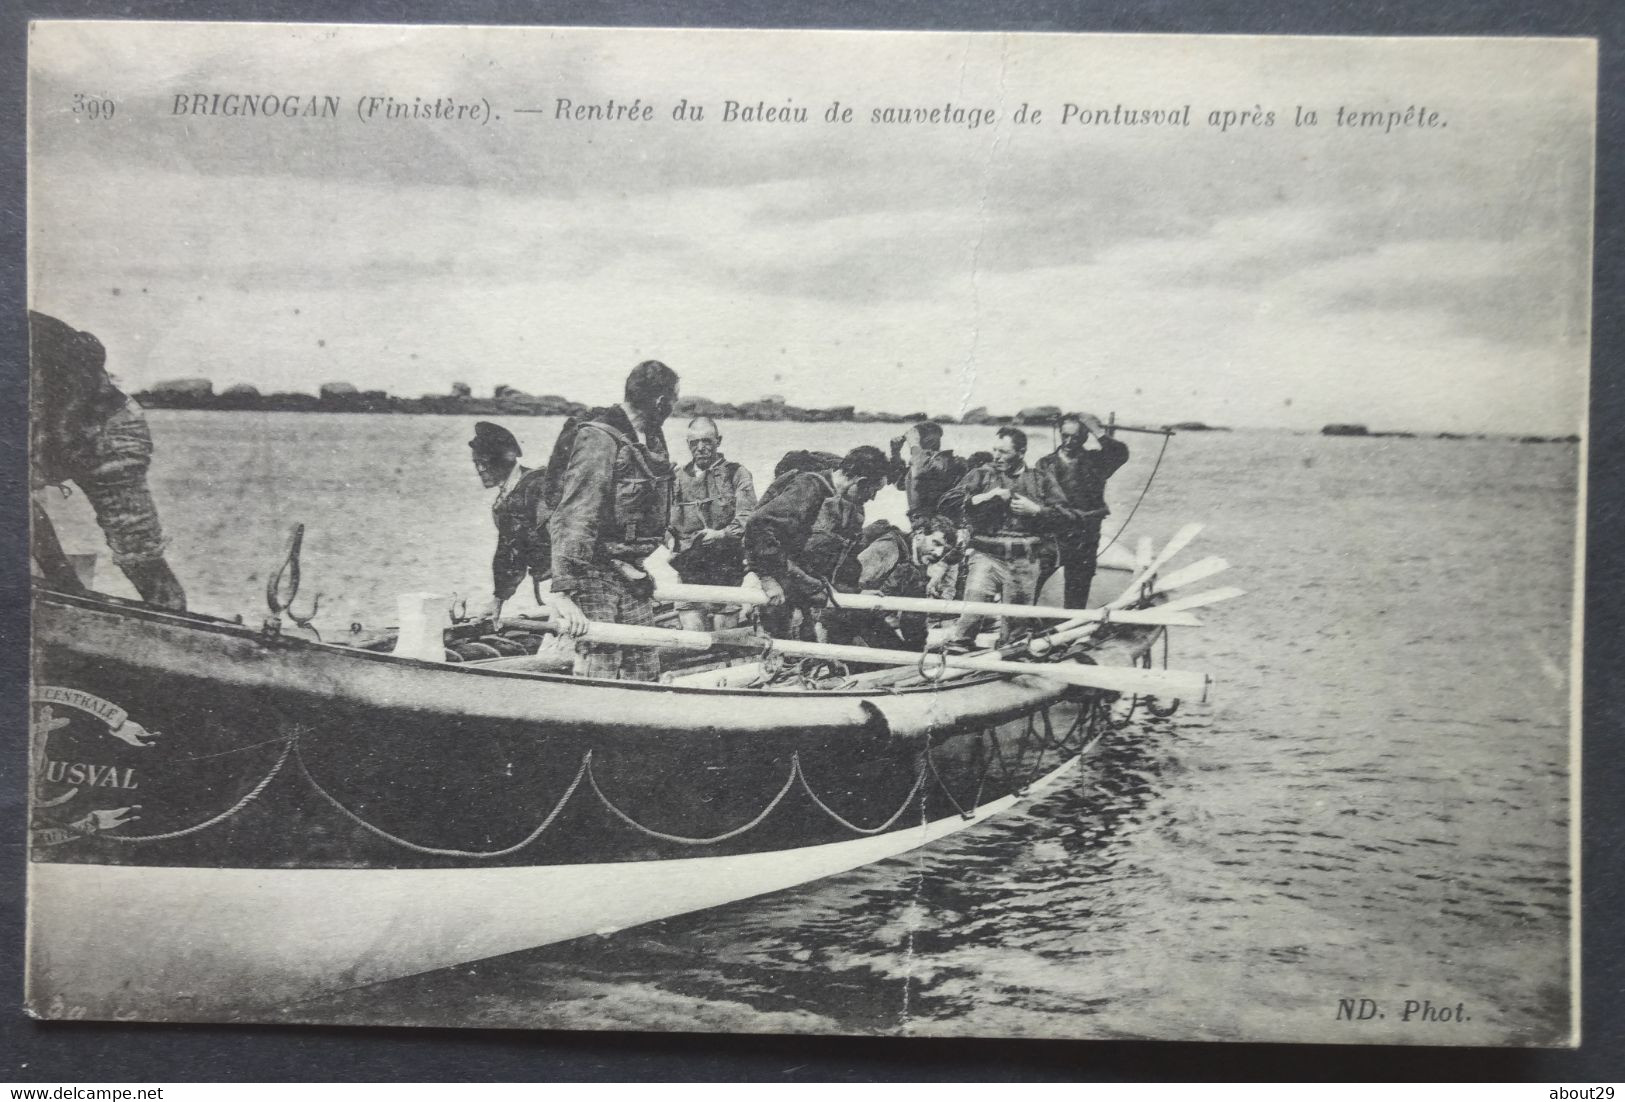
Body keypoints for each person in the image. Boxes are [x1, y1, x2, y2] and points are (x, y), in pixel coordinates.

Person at [29, 311, 186, 610]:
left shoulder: (30, 327)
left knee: (141, 558)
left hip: (107, 431)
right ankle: (70, 594)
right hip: (61, 433)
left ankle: (173, 629)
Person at [544, 360, 679, 681]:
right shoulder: (600, 439)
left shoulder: (650, 439)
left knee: (645, 664)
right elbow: (576, 512)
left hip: (629, 573)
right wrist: (563, 590)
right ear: (661, 401)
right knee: (598, 666)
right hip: (592, 571)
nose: (673, 407)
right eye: (673, 400)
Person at [938, 426, 1087, 649]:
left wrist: (1036, 511)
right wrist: (984, 497)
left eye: (1004, 452)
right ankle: (957, 653)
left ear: (1021, 452)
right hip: (986, 557)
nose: (996, 457)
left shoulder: (1040, 479)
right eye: (995, 450)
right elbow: (946, 504)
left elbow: (1068, 518)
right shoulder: (981, 474)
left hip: (1023, 561)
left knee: (1014, 629)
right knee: (970, 618)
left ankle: (1008, 664)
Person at [743, 444, 891, 642]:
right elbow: (758, 525)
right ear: (861, 481)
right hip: (776, 582)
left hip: (804, 587)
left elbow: (843, 560)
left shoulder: (847, 506)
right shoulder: (809, 487)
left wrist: (856, 592)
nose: (872, 498)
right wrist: (768, 577)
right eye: (873, 491)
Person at [668, 416, 757, 631]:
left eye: (707, 441)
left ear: (719, 441)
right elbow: (665, 520)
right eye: (694, 442)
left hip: (726, 566)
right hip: (690, 568)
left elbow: (749, 517)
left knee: (724, 637)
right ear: (688, 445)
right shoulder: (677, 477)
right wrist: (670, 540)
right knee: (693, 636)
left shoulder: (737, 473)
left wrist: (722, 534)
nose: (701, 448)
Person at [1034, 412, 1130, 610]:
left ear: (1085, 437)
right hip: (1052, 532)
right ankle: (1023, 625)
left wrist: (1098, 431)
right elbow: (1045, 498)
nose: (1069, 442)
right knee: (1035, 578)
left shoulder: (1097, 462)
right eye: (1065, 436)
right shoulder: (1045, 463)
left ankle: (1071, 627)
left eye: (1075, 437)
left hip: (1085, 535)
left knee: (1078, 586)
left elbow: (1120, 454)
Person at [469, 421, 550, 628]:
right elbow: (509, 549)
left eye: (485, 462)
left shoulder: (535, 487)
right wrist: (498, 599)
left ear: (508, 458)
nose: (480, 469)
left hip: (564, 585)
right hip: (550, 586)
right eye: (476, 462)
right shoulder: (511, 493)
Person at [850, 514, 957, 650]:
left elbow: (913, 619)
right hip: (844, 618)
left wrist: (918, 649)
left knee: (903, 654)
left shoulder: (916, 566)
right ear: (920, 534)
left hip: (868, 619)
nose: (939, 553)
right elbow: (849, 583)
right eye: (936, 543)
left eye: (945, 550)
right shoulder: (889, 547)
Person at [886, 421, 968, 531]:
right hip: (922, 526)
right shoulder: (919, 463)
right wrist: (895, 453)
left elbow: (922, 470)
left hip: (942, 528)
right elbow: (899, 483)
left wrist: (914, 445)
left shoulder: (948, 461)